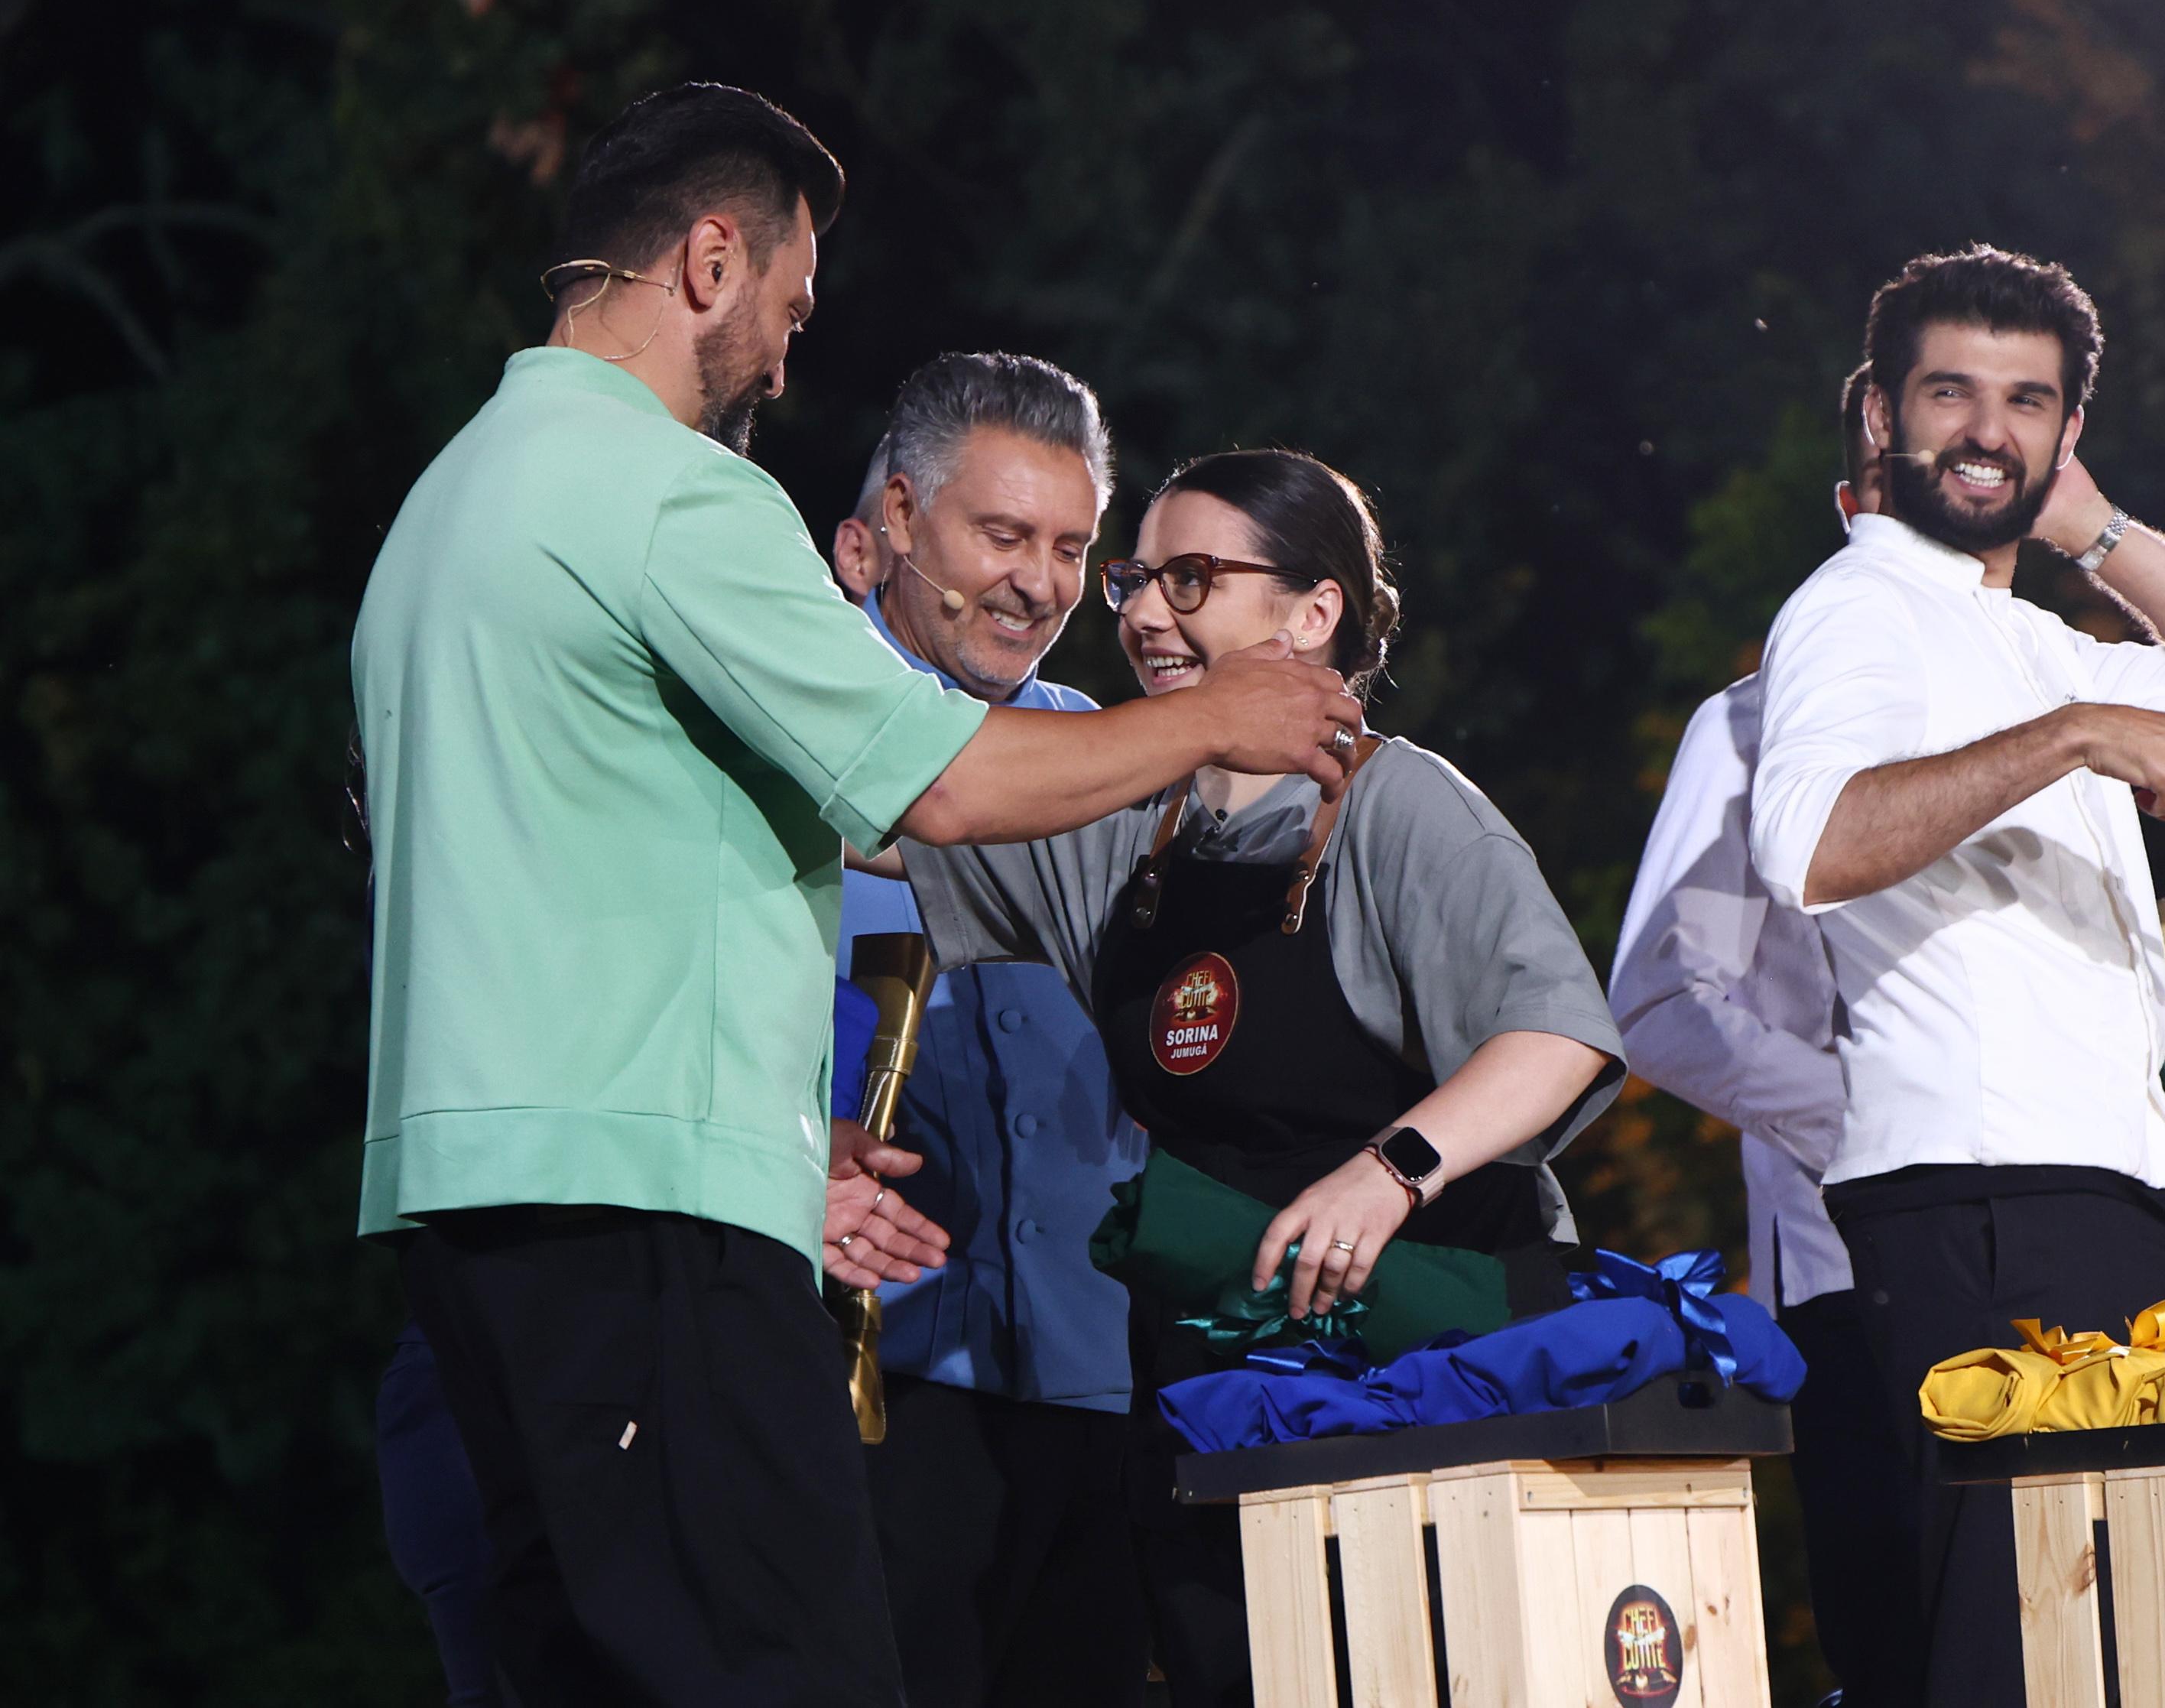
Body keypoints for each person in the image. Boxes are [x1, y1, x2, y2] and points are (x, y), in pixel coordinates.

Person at [352, 83, 1360, 1708]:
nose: (783, 356)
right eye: (790, 307)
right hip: (655, 1213)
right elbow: (939, 784)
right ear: (710, 261)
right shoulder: (669, 493)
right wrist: (1216, 718)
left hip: (475, 1214)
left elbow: (764, 820)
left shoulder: (448, 506)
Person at [882, 448, 1625, 1708]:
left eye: (1190, 578)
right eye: (1133, 579)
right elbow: (883, 803)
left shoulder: (1403, 805)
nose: (1143, 613)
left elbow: (1557, 1036)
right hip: (1215, 1384)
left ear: (1313, 611)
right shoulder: (1122, 818)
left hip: (1425, 1368)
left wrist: (1389, 1172)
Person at [1747, 245, 2165, 1706]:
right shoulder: (1859, 605)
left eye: (2028, 402)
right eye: (1950, 392)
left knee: (2090, 1645)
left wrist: (2096, 527)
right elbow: (1810, 845)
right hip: (1979, 1189)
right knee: (2011, 1645)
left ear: (2068, 430)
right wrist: (2071, 736)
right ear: (1880, 414)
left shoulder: (2034, 635)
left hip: (2094, 1185)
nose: (1986, 431)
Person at [826, 352, 1153, 1707]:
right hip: (864, 1380)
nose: (1040, 582)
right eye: (1004, 535)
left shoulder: (1116, 753)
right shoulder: (782, 732)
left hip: (1102, 1384)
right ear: (898, 518)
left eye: (1071, 548)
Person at [1608, 362, 1914, 1708]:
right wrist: (1878, 1116)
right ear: (1851, 508)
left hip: (2057, 1246)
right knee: (1904, 1642)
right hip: (1861, 1269)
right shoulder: (1749, 732)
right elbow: (1666, 1001)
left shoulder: (2051, 709)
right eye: (1903, 492)